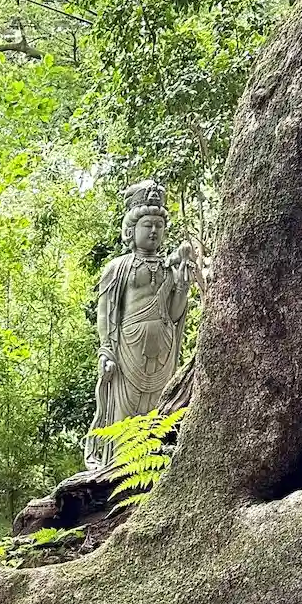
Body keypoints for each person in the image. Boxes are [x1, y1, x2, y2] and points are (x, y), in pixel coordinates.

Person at [85, 180, 199, 469]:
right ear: (131, 230)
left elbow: (173, 314)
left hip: (162, 349)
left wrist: (182, 286)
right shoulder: (118, 268)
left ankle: (150, 470)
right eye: (147, 225)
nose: (153, 231)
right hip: (128, 350)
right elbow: (106, 312)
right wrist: (106, 351)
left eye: (159, 226)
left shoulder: (168, 268)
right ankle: (116, 473)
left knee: (157, 413)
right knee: (123, 416)